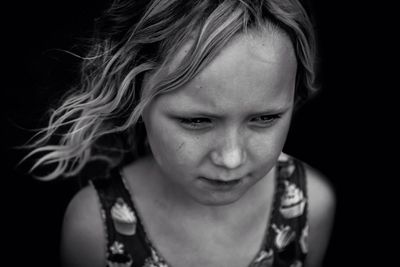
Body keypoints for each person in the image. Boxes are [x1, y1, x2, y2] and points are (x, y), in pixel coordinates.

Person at [25, 0, 335, 266]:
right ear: (135, 98)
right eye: (197, 121)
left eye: (265, 118)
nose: (230, 158)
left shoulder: (308, 207)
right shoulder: (95, 224)